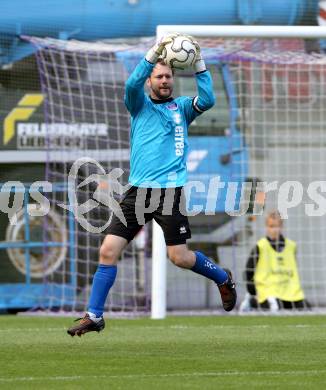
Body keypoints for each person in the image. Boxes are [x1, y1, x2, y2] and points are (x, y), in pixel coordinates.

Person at [67, 35, 237, 337]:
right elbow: (131, 84)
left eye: (168, 76)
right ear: (150, 82)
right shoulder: (139, 105)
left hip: (169, 194)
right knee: (107, 250)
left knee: (179, 258)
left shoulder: (183, 108)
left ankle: (223, 277)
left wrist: (198, 63)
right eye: (159, 76)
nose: (164, 81)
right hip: (137, 192)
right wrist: (154, 52)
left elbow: (208, 100)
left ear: (174, 79)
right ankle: (94, 315)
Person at [241, 211, 306, 312]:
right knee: (274, 307)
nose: (274, 230)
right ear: (266, 227)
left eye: (276, 226)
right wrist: (253, 292)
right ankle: (252, 301)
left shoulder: (291, 246)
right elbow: (248, 272)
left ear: (281, 227)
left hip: (291, 293)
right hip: (268, 292)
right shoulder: (260, 246)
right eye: (271, 226)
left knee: (306, 309)